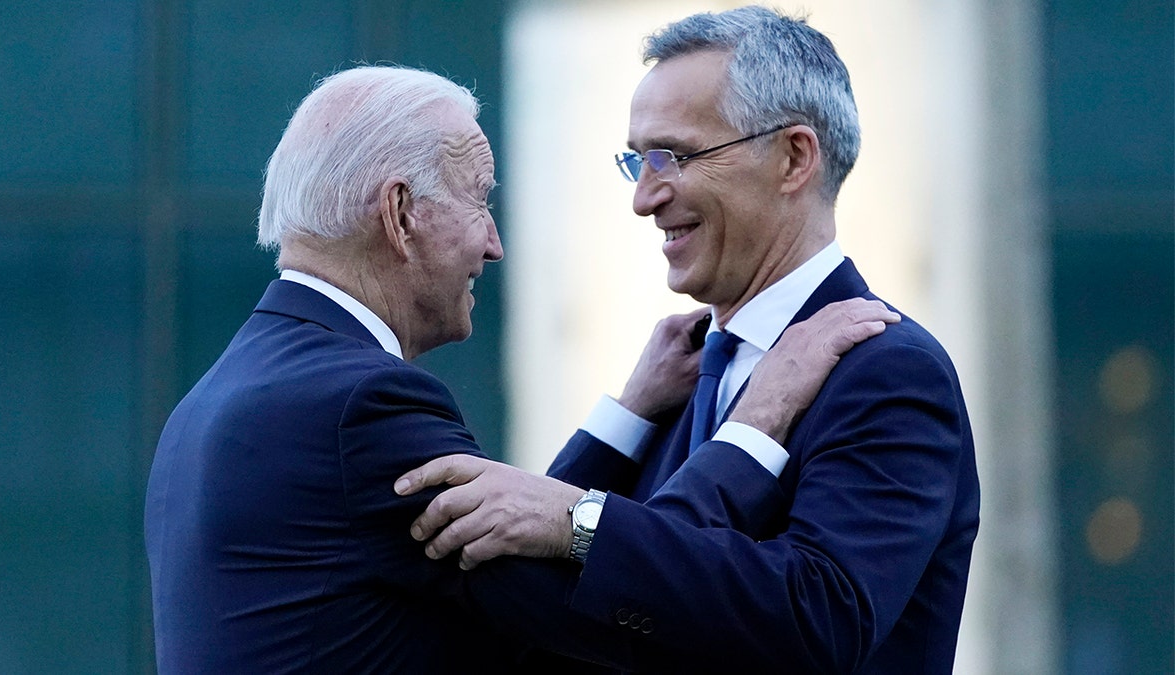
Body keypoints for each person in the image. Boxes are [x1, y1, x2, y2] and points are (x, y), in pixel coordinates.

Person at [144, 63, 898, 673]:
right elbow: (612, 607)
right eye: (479, 200)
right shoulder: (360, 407)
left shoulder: (226, 394)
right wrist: (754, 422)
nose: (494, 243)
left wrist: (627, 417)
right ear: (402, 213)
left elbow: (512, 549)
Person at [399, 5, 980, 673]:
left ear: (793, 157)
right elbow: (545, 604)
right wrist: (620, 425)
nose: (644, 199)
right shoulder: (679, 373)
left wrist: (581, 521)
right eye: (637, 161)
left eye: (673, 157)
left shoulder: (888, 369)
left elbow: (823, 618)